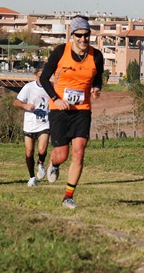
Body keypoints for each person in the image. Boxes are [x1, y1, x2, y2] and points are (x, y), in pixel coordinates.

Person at [40, 15, 103, 209]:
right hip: (59, 109)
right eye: (79, 35)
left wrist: (96, 88)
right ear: (72, 35)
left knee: (79, 151)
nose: (83, 39)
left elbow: (98, 77)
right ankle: (54, 163)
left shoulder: (96, 55)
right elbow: (44, 79)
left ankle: (68, 196)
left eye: (87, 35)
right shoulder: (60, 52)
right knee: (62, 154)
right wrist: (56, 99)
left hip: (82, 110)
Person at [13, 68, 50, 187]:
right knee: (29, 152)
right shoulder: (29, 87)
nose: (42, 78)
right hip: (30, 124)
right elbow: (16, 102)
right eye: (39, 75)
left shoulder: (51, 87)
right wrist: (25, 106)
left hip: (44, 123)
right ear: (35, 76)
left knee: (42, 149)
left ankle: (41, 163)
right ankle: (32, 177)